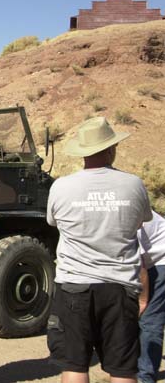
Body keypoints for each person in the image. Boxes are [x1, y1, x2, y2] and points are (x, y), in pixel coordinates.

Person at [46, 116, 152, 383]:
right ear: (111, 149)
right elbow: (140, 222)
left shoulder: (61, 186)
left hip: (74, 284)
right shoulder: (133, 184)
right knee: (123, 368)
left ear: (83, 152)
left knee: (74, 365)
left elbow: (54, 222)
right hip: (119, 285)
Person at [137, 211, 165, 383]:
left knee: (150, 319)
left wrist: (143, 300)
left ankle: (145, 376)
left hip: (161, 261)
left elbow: (139, 265)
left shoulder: (128, 219)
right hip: (147, 261)